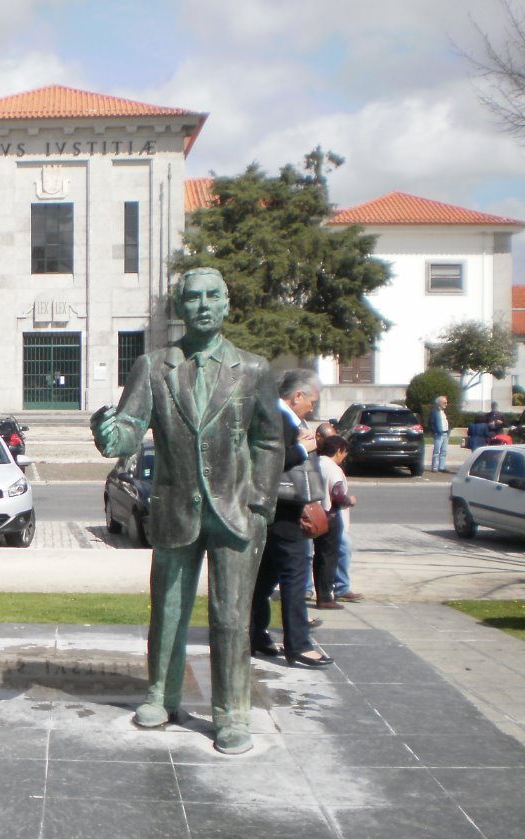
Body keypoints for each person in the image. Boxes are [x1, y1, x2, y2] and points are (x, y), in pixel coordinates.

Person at [91, 267, 283, 755]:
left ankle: (231, 713)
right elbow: (130, 428)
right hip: (176, 507)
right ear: (180, 306)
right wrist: (110, 434)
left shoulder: (254, 369)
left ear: (226, 304)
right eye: (193, 297)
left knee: (230, 616)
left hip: (234, 510)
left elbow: (268, 441)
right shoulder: (154, 366)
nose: (203, 305)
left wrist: (259, 502)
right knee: (168, 610)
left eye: (212, 296)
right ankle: (161, 694)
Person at [250, 369, 336, 669]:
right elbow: (271, 460)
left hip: (275, 510)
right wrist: (303, 447)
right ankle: (298, 644)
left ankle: (254, 633)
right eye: (311, 401)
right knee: (295, 574)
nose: (312, 408)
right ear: (297, 396)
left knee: (265, 578)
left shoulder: (278, 417)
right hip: (284, 510)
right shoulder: (279, 418)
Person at [313, 435, 358, 608]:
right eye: (344, 453)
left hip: (315, 515)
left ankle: (320, 593)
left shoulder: (315, 463)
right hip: (330, 516)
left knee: (319, 556)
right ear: (339, 451)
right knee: (329, 557)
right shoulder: (333, 469)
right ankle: (325, 597)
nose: (344, 457)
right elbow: (337, 494)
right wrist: (350, 501)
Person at [429, 395, 450, 472]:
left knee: (444, 451)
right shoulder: (434, 412)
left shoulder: (443, 412)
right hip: (438, 434)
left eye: (446, 402)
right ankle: (434, 467)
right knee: (436, 451)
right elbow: (431, 423)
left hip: (445, 433)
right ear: (439, 403)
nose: (446, 404)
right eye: (444, 402)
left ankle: (441, 467)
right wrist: (434, 432)